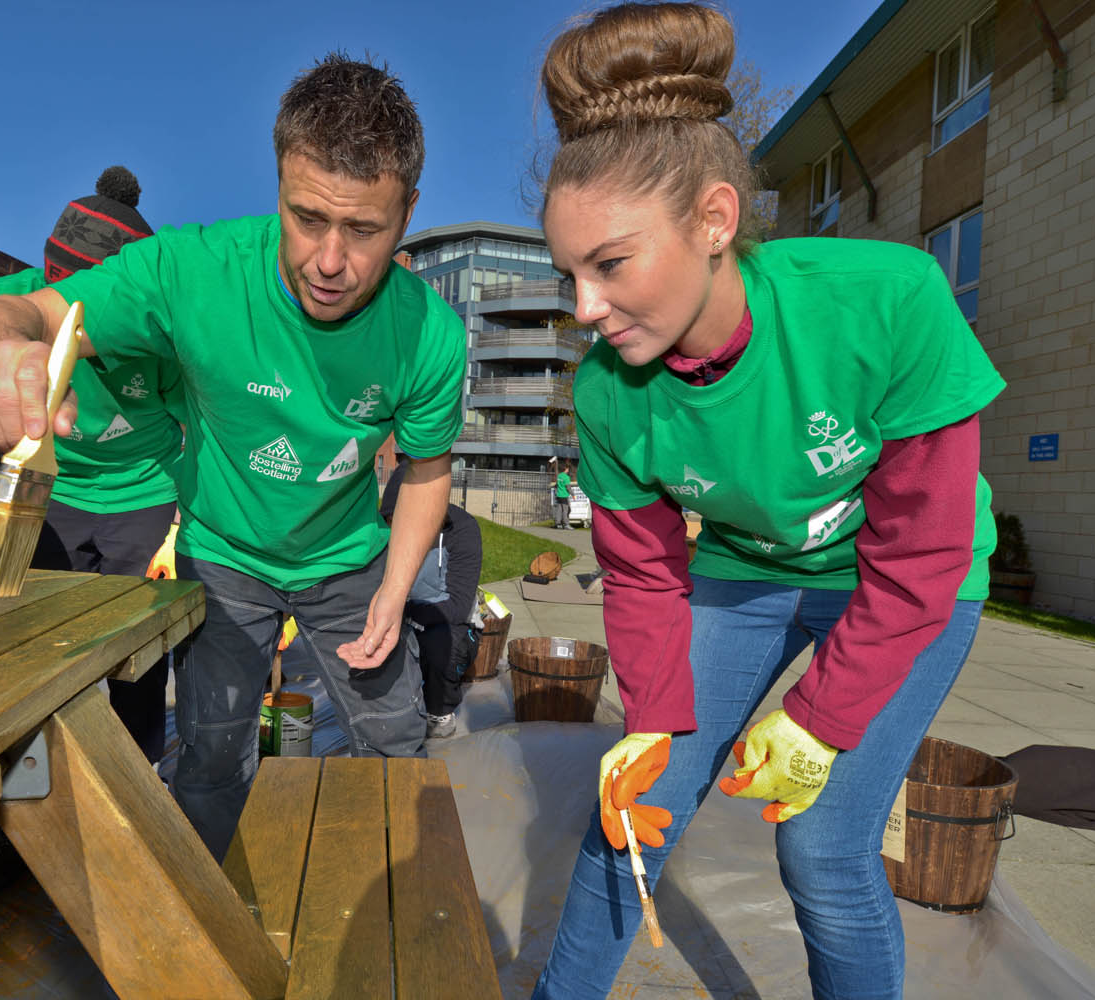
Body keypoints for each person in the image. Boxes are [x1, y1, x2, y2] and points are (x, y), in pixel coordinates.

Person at [527, 5, 1006, 999]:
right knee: (632, 814)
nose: (583, 308)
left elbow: (919, 559)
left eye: (610, 264)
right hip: (746, 572)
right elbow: (644, 573)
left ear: (713, 220)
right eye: (568, 272)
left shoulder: (886, 301)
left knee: (824, 845)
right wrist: (652, 724)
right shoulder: (609, 393)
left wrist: (822, 718)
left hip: (908, 581)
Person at [0, 55, 466, 860]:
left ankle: (389, 911)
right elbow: (28, 309)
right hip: (222, 556)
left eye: (363, 230)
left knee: (394, 743)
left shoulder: (430, 333)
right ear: (279, 186)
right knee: (213, 753)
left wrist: (398, 591)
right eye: (306, 219)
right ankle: (210, 928)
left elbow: (426, 469)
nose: (329, 262)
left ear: (408, 213)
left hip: (350, 562)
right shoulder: (194, 272)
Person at [0, 166, 184, 898]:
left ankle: (131, 813)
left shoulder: (154, 326)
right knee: (27, 660)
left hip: (147, 493)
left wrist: (180, 526)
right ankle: (23, 836)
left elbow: (206, 434)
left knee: (134, 661)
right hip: (43, 492)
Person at [381, 458, 483, 739]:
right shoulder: (379, 530)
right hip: (399, 611)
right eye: (391, 522)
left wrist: (403, 615)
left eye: (403, 521)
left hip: (442, 619)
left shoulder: (462, 530)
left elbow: (458, 606)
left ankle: (440, 709)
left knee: (443, 647)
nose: (396, 531)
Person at [554, 459, 572, 529]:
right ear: (566, 469)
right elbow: (568, 487)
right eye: (568, 469)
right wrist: (573, 494)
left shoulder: (559, 476)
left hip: (559, 495)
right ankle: (566, 524)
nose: (568, 471)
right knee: (565, 510)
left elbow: (557, 485)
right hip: (564, 496)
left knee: (559, 510)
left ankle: (558, 524)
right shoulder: (566, 477)